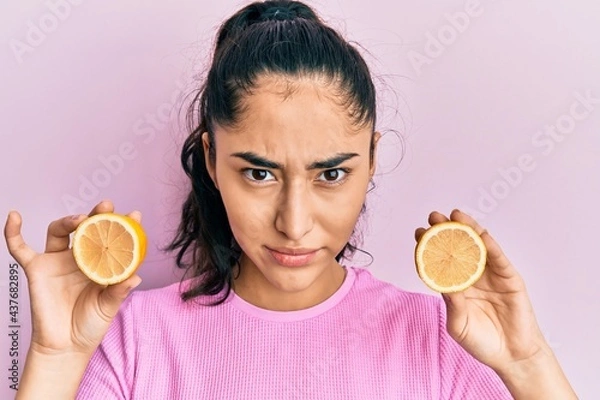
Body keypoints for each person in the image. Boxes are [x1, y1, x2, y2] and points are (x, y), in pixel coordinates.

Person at [4, 1, 577, 399]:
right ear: (210, 159)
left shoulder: (443, 339)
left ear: (371, 162)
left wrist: (528, 365)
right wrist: (56, 359)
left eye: (330, 174)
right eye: (259, 173)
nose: (294, 223)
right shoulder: (130, 344)